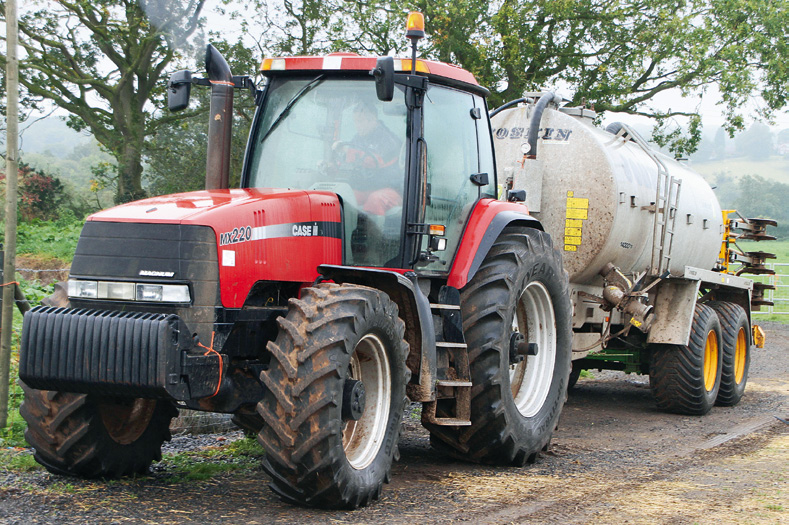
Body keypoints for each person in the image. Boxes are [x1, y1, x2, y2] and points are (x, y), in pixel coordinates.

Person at [334, 101, 403, 216]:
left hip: (392, 190)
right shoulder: (358, 139)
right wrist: (336, 165)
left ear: (372, 119)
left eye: (360, 121)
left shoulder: (389, 140)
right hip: (366, 188)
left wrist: (348, 151)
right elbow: (349, 162)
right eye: (355, 121)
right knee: (342, 198)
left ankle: (372, 232)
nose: (357, 125)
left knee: (375, 200)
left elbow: (375, 161)